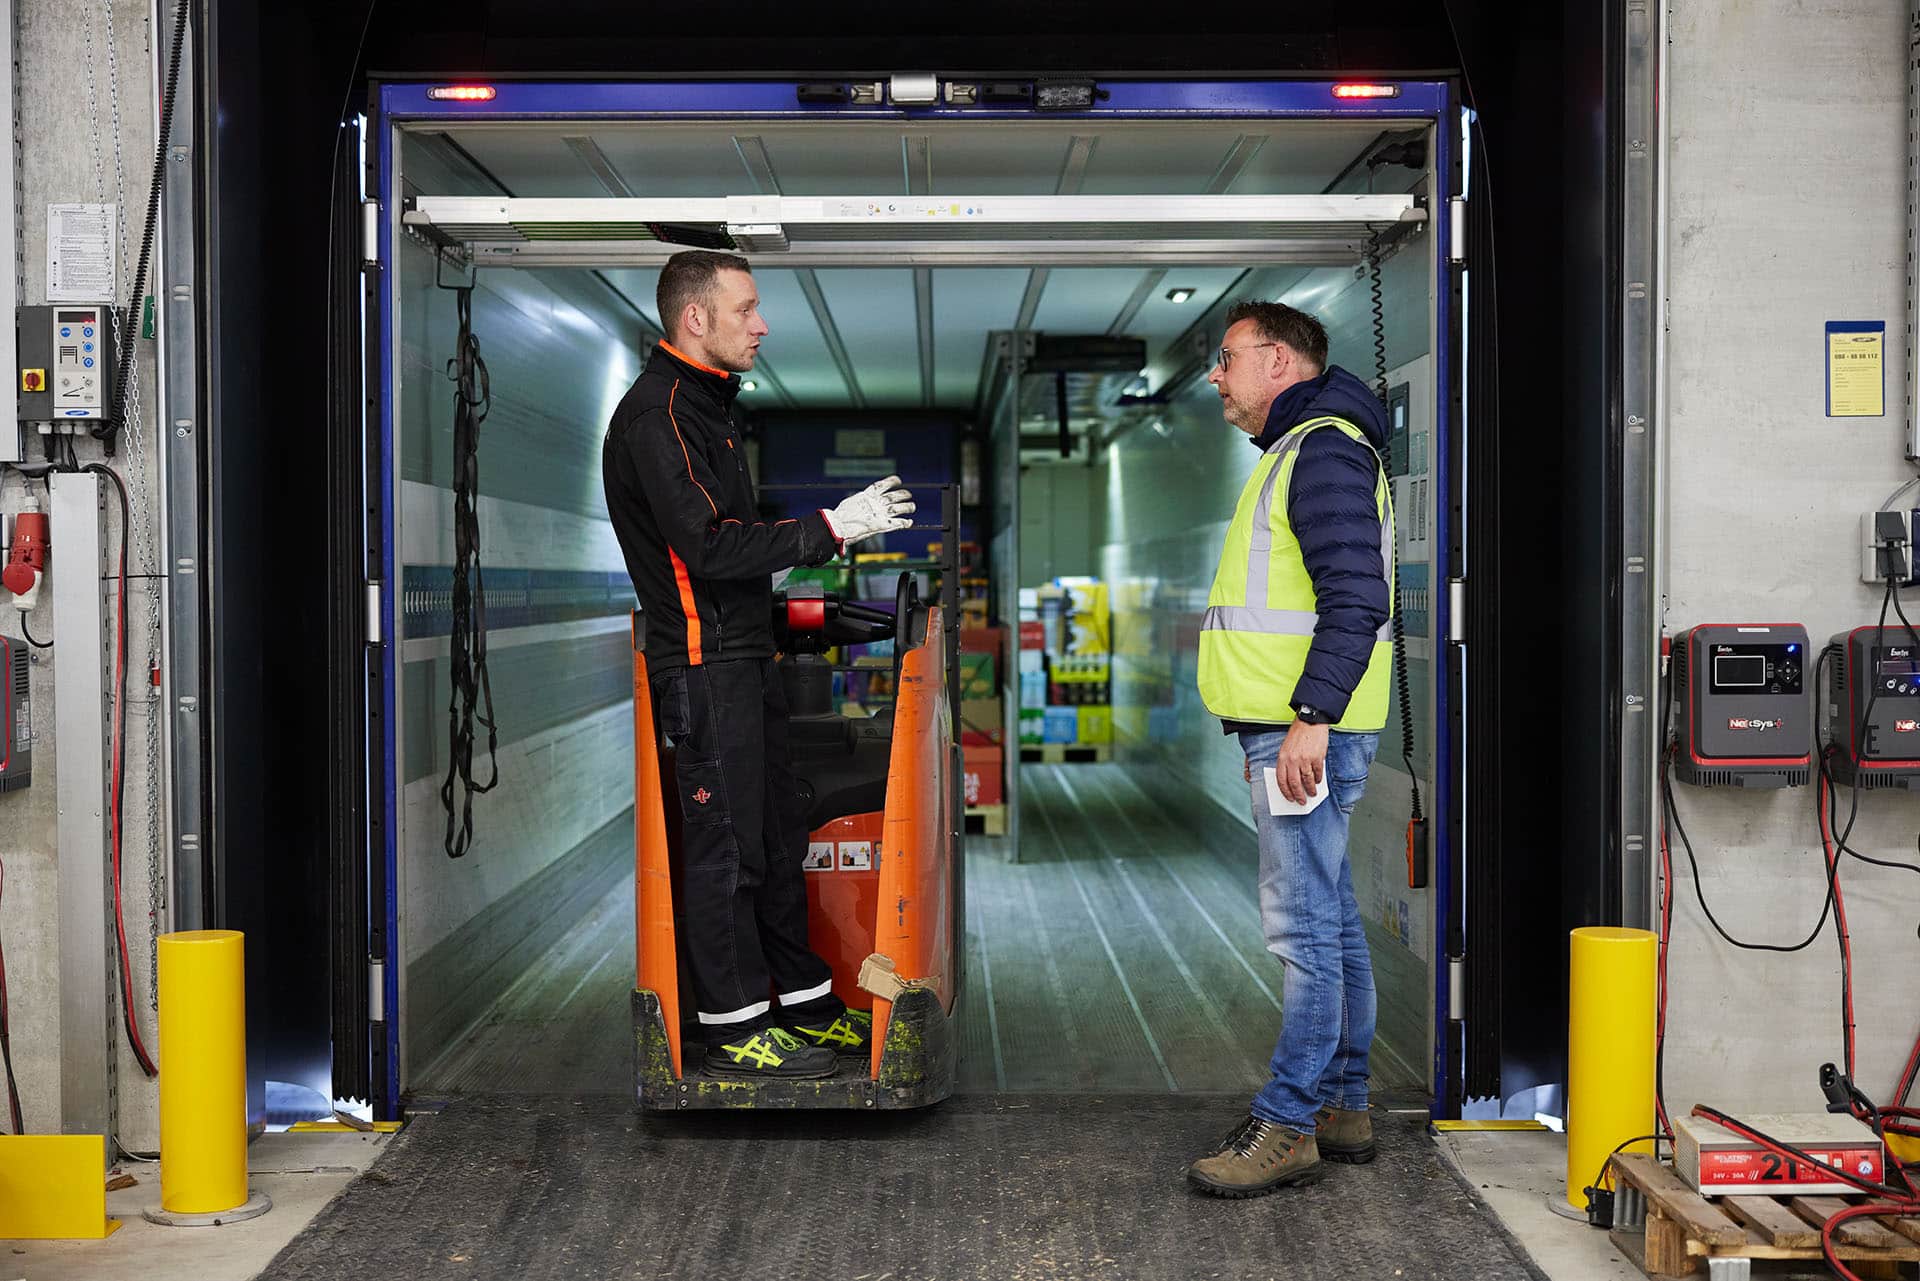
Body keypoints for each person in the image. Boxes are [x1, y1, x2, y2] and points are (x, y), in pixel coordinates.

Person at [602, 250, 914, 1080]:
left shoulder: (707, 411)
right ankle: (734, 1027)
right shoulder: (659, 415)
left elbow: (729, 548)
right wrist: (829, 528)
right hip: (704, 672)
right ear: (695, 318)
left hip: (745, 660)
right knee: (727, 850)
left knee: (775, 840)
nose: (763, 324)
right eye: (746, 308)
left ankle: (802, 1002)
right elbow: (704, 546)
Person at [1185, 299, 1395, 1197]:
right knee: (1334, 917)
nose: (1215, 376)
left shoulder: (1323, 451)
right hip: (1299, 726)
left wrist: (1308, 716)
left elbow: (1356, 593)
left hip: (1306, 732)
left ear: (1277, 360)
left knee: (1301, 927)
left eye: (1225, 357)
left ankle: (1289, 1120)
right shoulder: (1304, 450)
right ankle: (1345, 1100)